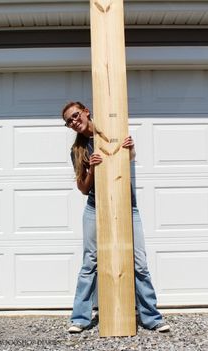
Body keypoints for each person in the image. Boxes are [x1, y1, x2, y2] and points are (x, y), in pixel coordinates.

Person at [62, 101, 170, 334]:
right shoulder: (78, 150)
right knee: (90, 263)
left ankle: (152, 317)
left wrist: (130, 149)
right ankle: (80, 318)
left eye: (75, 115)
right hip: (94, 206)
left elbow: (126, 159)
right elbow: (82, 188)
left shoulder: (112, 131)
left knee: (139, 262)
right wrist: (91, 168)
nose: (73, 122)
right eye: (68, 121)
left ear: (87, 112)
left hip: (127, 206)